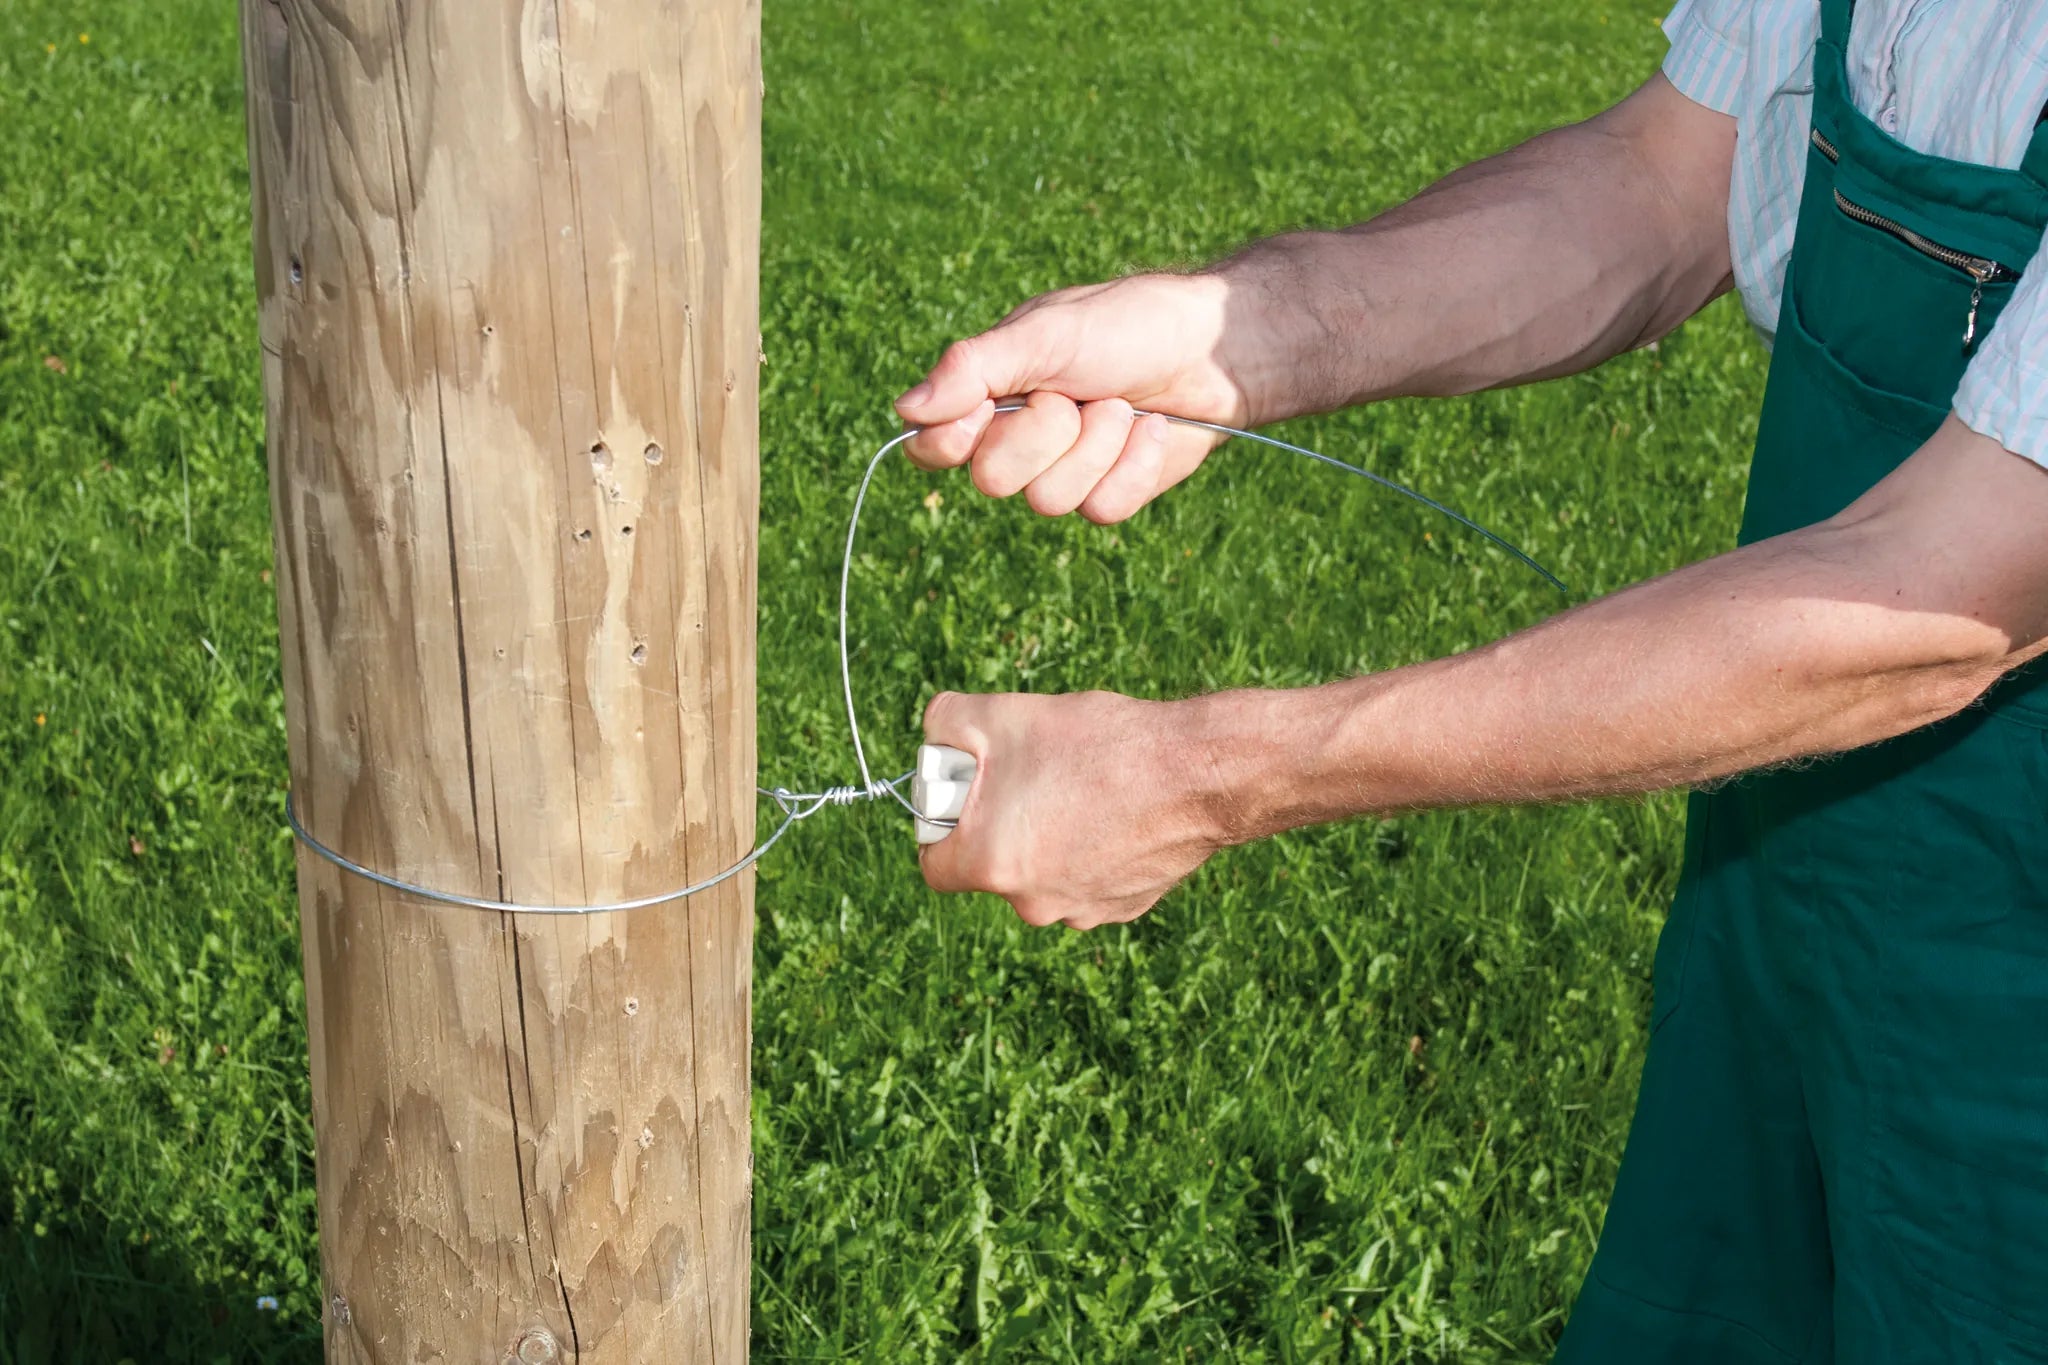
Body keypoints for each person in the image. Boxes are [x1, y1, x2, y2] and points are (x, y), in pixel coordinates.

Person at [893, 1, 2048, 1359]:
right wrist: (1239, 331)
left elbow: (1939, 593)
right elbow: (1664, 182)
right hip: (1785, 921)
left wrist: (1199, 778)